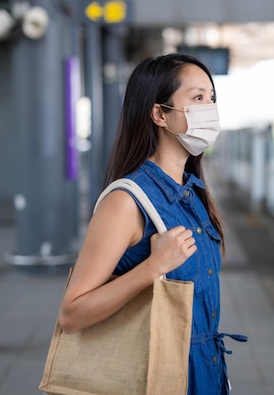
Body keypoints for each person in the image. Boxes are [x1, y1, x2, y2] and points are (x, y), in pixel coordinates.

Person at [58, 53, 245, 395]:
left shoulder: (193, 193)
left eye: (212, 98)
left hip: (206, 372)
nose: (210, 109)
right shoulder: (125, 202)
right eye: (197, 98)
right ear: (160, 114)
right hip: (159, 374)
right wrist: (153, 266)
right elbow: (72, 315)